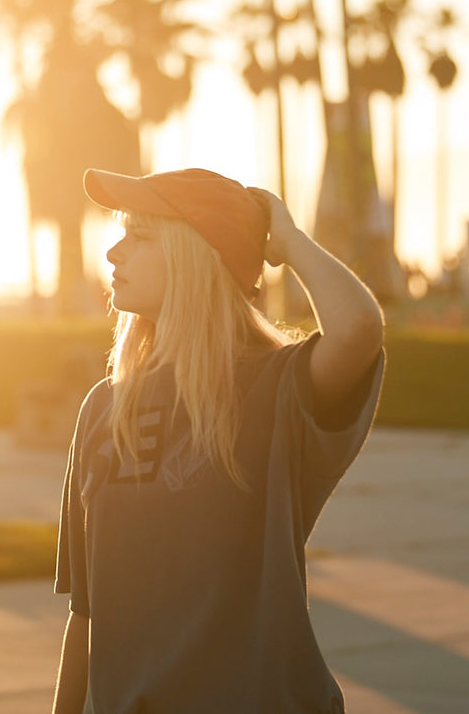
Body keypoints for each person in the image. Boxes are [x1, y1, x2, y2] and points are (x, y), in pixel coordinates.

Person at [53, 167, 385, 714]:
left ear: (197, 255)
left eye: (139, 236)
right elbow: (85, 619)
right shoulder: (102, 411)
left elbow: (358, 331)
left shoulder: (272, 389)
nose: (113, 253)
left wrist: (290, 242)